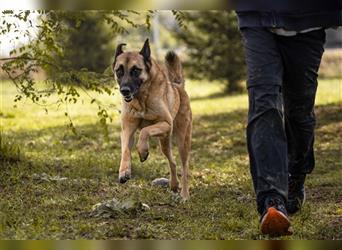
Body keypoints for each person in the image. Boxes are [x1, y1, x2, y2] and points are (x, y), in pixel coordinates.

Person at [235, 1, 342, 236]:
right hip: (257, 17)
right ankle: (271, 201)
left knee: (299, 114)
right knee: (264, 104)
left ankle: (296, 174)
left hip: (309, 20)